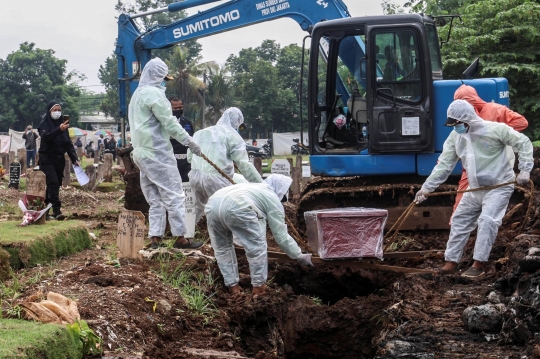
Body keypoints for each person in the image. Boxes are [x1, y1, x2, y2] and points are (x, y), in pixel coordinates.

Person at [415, 100, 533, 277]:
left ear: (468, 119)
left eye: (458, 123)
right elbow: (444, 165)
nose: (456, 127)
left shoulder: (495, 130)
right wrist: (426, 188)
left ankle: (478, 264)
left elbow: (523, 142)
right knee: (459, 220)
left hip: (498, 186)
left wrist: (525, 169)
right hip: (475, 188)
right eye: (453, 124)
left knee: (487, 221)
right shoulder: (456, 137)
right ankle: (451, 262)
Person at [128, 57, 202, 250]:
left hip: (141, 153)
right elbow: (169, 123)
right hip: (157, 152)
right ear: (158, 77)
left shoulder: (137, 96)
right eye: (164, 79)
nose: (165, 84)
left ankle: (155, 239)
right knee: (175, 195)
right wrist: (189, 141)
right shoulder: (154, 95)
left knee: (155, 199)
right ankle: (181, 238)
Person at [205, 174, 313, 296]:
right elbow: (281, 237)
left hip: (213, 205)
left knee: (222, 248)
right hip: (238, 206)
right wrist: (299, 255)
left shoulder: (254, 189)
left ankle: (233, 288)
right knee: (257, 248)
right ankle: (259, 288)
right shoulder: (271, 197)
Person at [452, 84, 528, 214]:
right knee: (462, 208)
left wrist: (498, 135)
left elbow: (521, 122)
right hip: (472, 168)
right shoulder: (466, 116)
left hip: (494, 166)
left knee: (486, 210)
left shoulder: (495, 110)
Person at [187, 107, 263, 225]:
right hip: (217, 180)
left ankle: (185, 237)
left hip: (195, 177)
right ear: (237, 122)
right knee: (225, 209)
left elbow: (189, 158)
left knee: (196, 208)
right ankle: (231, 240)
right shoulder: (233, 136)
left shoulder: (200, 133)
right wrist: (261, 186)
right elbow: (244, 165)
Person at [37, 101, 80, 220]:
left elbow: (68, 144)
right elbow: (46, 138)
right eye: (54, 110)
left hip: (59, 159)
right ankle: (57, 211)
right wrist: (58, 130)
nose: (57, 112)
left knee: (54, 185)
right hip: (46, 158)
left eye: (58, 110)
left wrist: (74, 159)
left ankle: (45, 210)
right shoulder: (44, 124)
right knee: (53, 183)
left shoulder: (63, 125)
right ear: (49, 111)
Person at [169, 97, 194, 182]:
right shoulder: (165, 124)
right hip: (171, 162)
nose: (178, 110)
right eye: (175, 108)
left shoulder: (187, 123)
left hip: (186, 163)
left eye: (180, 107)